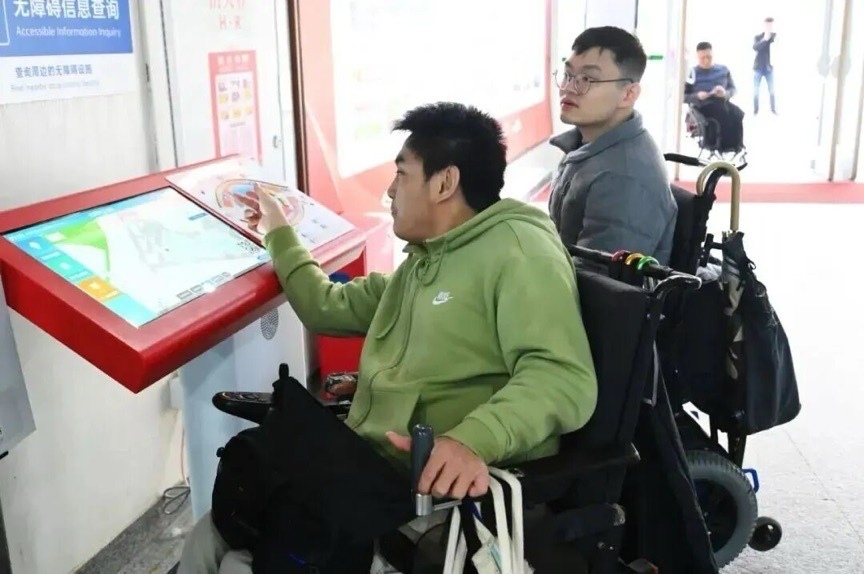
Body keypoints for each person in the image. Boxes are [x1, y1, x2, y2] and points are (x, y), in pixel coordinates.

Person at [178, 102, 599, 573]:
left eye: (402, 174)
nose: (390, 190)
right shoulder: (426, 262)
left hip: (431, 497)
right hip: (368, 467)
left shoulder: (519, 252)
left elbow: (561, 378)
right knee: (216, 527)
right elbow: (326, 306)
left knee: (241, 563)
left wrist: (471, 441)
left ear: (445, 183)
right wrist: (279, 232)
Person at [548, 26, 678, 266]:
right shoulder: (587, 146)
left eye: (587, 79)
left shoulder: (625, 176)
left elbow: (598, 278)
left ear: (628, 94)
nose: (568, 87)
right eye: (568, 75)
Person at [684, 41, 745, 153]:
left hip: (722, 100)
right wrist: (696, 96)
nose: (706, 61)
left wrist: (725, 93)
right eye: (702, 58)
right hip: (702, 104)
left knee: (738, 113)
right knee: (720, 111)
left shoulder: (723, 70)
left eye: (709, 57)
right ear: (697, 57)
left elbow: (733, 89)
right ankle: (722, 146)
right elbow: (683, 96)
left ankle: (737, 146)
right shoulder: (692, 73)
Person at [753, 17, 777, 115]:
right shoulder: (758, 37)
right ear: (764, 25)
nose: (769, 27)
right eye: (767, 25)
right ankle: (756, 110)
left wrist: (769, 39)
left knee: (772, 90)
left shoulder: (774, 37)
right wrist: (765, 39)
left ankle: (773, 109)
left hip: (769, 68)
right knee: (756, 91)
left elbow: (777, 47)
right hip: (758, 68)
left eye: (770, 25)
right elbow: (755, 47)